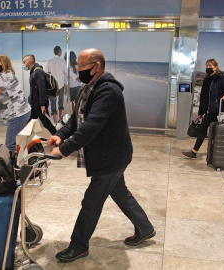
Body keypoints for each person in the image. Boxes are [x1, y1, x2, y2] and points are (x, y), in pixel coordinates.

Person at [47, 48, 155, 263]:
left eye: (82, 66)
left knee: (91, 202)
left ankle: (78, 246)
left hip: (112, 157)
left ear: (97, 66)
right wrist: (59, 135)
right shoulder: (88, 87)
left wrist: (65, 149)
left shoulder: (109, 91)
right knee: (120, 192)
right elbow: (75, 119)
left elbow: (91, 125)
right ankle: (145, 228)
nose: (78, 70)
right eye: (77, 65)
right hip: (112, 155)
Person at [182, 59, 224, 159]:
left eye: (210, 66)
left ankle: (194, 152)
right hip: (208, 109)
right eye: (207, 66)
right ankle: (221, 150)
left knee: (203, 130)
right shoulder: (207, 79)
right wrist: (201, 111)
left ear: (216, 67)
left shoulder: (221, 77)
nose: (208, 68)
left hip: (214, 108)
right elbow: (204, 97)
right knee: (215, 131)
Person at [22, 54, 57, 135]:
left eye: (24, 62)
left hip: (39, 104)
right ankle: (26, 141)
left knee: (47, 123)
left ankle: (58, 139)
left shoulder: (37, 72)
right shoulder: (33, 71)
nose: (23, 64)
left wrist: (42, 105)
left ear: (29, 62)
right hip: (34, 104)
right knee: (29, 122)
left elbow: (42, 88)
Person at [45, 46, 68, 124]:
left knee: (53, 102)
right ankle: (60, 117)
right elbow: (66, 73)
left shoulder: (48, 61)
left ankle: (55, 120)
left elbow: (46, 74)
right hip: (60, 84)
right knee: (60, 101)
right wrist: (65, 85)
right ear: (60, 52)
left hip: (52, 85)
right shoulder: (62, 61)